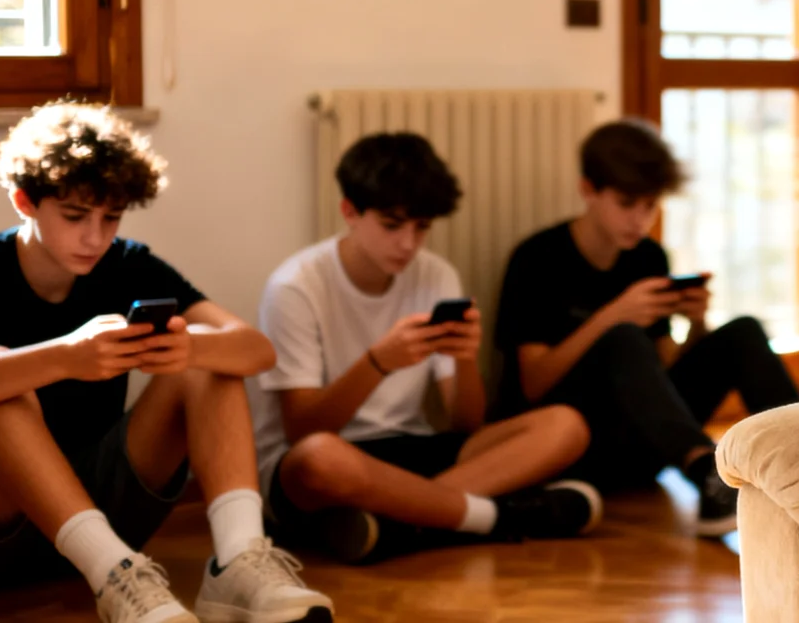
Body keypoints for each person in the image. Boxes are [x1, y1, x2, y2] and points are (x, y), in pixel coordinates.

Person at [0, 103, 331, 623]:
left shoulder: (127, 263)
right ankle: (113, 576)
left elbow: (256, 350)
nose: (96, 237)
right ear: (25, 201)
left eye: (110, 217)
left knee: (204, 349)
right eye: (75, 217)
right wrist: (62, 357)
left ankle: (239, 563)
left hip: (106, 510)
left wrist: (189, 349)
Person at [253, 132, 600, 566]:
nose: (408, 244)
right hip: (328, 460)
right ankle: (497, 516)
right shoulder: (296, 286)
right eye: (392, 225)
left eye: (422, 227)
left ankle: (402, 520)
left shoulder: (436, 275)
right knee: (320, 459)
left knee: (566, 425)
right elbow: (302, 431)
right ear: (350, 212)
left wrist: (464, 357)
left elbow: (465, 423)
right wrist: (377, 364)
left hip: (410, 450)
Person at [491, 119, 799, 538]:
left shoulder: (647, 257)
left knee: (743, 331)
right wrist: (612, 316)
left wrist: (695, 324)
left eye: (650, 206)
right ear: (589, 190)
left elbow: (658, 375)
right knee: (622, 338)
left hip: (645, 438)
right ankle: (705, 472)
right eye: (626, 204)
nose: (639, 220)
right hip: (573, 445)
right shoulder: (538, 259)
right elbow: (533, 384)